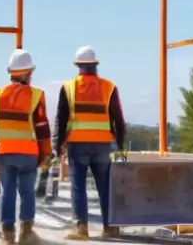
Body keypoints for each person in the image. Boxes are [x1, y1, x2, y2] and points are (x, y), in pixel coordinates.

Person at [53, 46, 126, 240]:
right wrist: (119, 144)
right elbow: (118, 119)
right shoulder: (109, 87)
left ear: (77, 65)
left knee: (78, 186)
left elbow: (61, 118)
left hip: (77, 145)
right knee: (105, 186)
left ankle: (81, 229)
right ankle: (110, 227)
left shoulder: (68, 88)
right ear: (95, 65)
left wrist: (57, 145)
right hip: (102, 145)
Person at [0, 49, 52, 245]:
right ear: (28, 73)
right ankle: (26, 233)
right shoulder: (36, 95)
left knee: (6, 191)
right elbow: (42, 127)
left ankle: (7, 235)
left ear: (11, 73)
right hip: (28, 154)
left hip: (4, 152)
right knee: (27, 192)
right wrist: (45, 154)